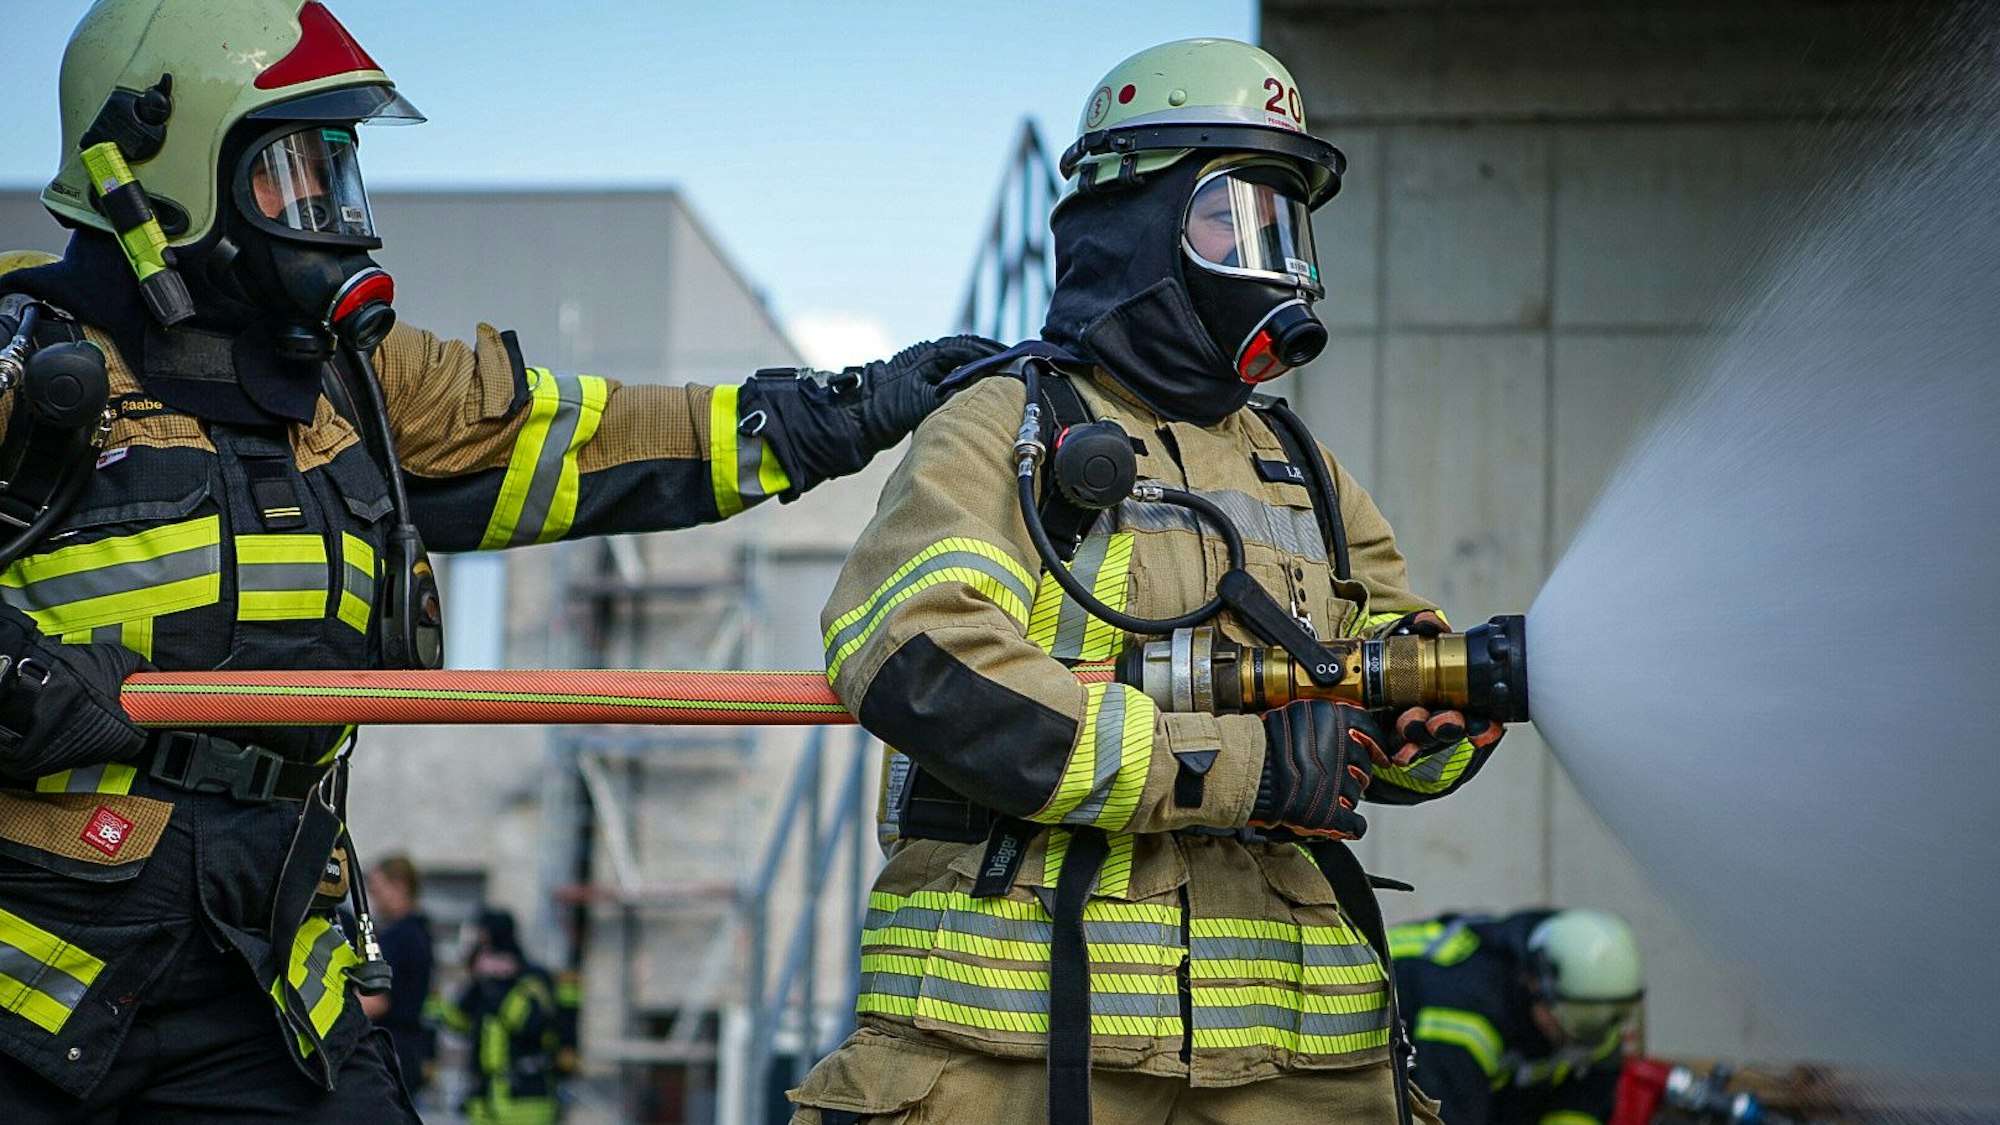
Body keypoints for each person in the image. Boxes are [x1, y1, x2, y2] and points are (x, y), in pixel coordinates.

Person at [0, 2, 999, 1121]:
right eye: (295, 173)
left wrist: (839, 411)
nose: (337, 216)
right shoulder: (24, 360)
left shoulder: (354, 384)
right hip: (38, 964)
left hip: (267, 960)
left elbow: (583, 434)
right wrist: (17, 677)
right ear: (164, 166)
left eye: (344, 171)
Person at [792, 38, 1509, 1125]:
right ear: (1135, 223)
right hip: (1020, 1060)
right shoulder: (1008, 431)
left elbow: (1382, 677)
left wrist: (1438, 718)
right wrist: (1239, 770)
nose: (1268, 258)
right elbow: (919, 659)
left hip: (1302, 1075)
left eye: (1286, 226)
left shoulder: (1305, 471)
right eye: (1233, 218)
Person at [1391, 908, 1645, 1125]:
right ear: (1537, 984)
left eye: (1612, 1016)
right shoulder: (1470, 1012)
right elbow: (1445, 1113)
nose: (1588, 1037)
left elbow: (1586, 1097)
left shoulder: (1593, 1025)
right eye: (1581, 1019)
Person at [438, 910, 564, 1125]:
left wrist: (502, 986)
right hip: (484, 1103)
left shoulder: (531, 978)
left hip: (526, 1103)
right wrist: (477, 982)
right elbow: (455, 1021)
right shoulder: (481, 984)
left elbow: (529, 1025)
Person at [359, 855, 437, 1099]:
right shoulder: (420, 931)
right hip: (409, 1047)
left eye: (377, 889)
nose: (373, 898)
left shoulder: (397, 938)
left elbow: (376, 1000)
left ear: (400, 886)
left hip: (391, 1048)